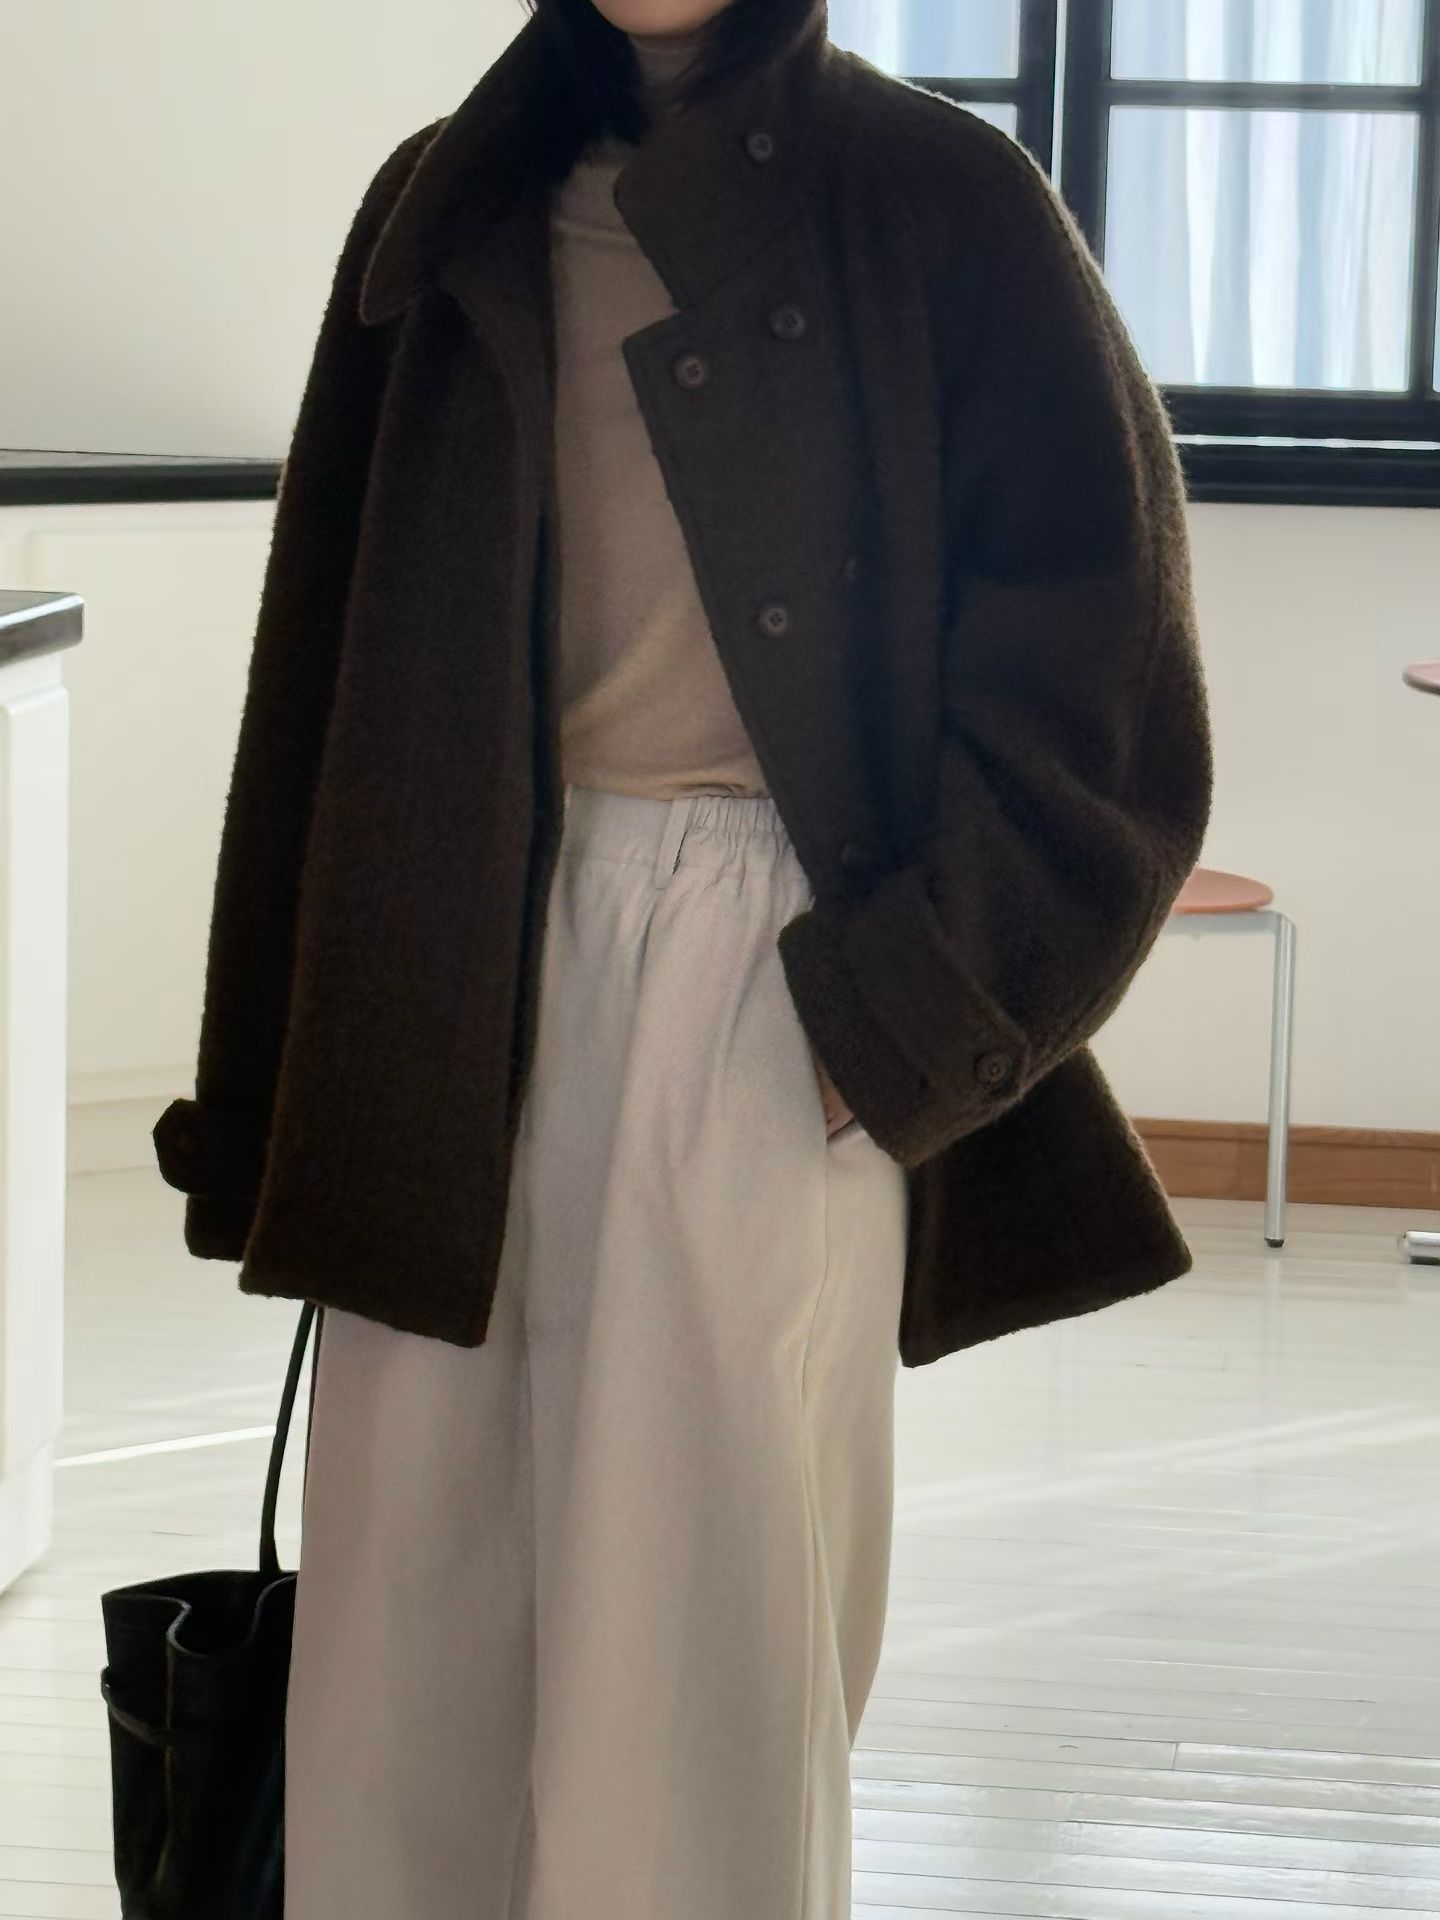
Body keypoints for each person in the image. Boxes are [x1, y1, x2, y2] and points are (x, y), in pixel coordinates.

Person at [152, 0, 1213, 1914]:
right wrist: (275, 1093)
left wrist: (904, 1018)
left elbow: (1104, 680)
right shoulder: (442, 201)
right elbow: (316, 668)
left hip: (768, 968)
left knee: (703, 1620)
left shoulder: (940, 198)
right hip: (438, 952)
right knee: (408, 1621)